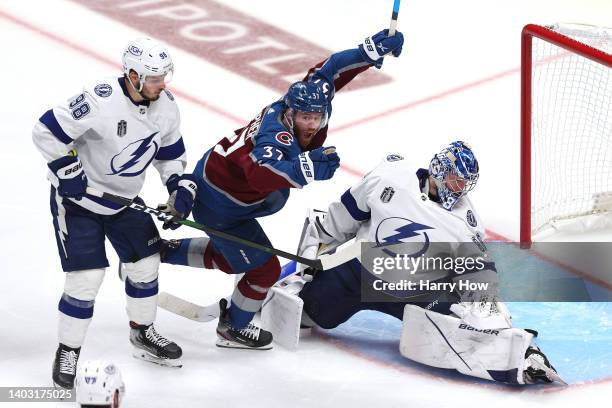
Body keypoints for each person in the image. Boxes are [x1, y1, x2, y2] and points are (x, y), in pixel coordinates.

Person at [162, 29, 404, 350]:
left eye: (318, 117)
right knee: (264, 270)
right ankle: (233, 329)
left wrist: (368, 51)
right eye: (305, 117)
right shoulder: (276, 135)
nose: (312, 124)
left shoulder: (302, 99)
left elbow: (329, 71)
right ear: (290, 113)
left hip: (221, 182)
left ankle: (158, 250)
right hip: (222, 200)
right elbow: (260, 175)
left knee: (236, 256)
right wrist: (307, 167)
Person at [275, 142, 563, 385]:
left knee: (462, 324)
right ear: (438, 169)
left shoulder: (465, 223)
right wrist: (313, 252)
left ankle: (526, 356)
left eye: (464, 183)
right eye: (454, 180)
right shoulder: (391, 176)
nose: (459, 188)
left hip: (418, 288)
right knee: (308, 316)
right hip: (360, 273)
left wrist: (493, 321)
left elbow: (478, 275)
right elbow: (344, 215)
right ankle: (273, 283)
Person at [32, 37, 196, 389]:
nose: (161, 84)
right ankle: (68, 349)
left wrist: (177, 187)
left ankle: (142, 332)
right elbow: (45, 131)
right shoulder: (98, 98)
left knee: (146, 264)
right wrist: (66, 168)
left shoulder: (166, 105)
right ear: (132, 74)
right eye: (153, 77)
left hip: (123, 200)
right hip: (78, 204)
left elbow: (170, 154)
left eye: (164, 76)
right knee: (86, 279)